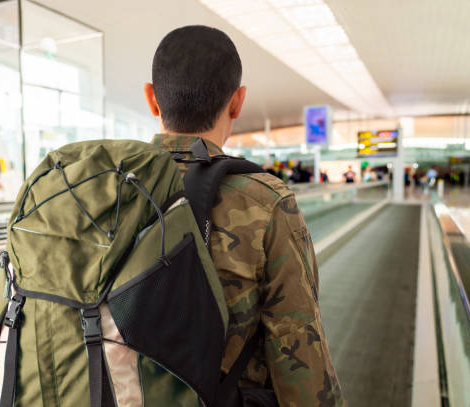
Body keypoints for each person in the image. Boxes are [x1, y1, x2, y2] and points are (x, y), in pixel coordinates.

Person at [144, 25, 344, 406]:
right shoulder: (265, 200)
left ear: (152, 99)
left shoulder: (103, 191)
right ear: (237, 102)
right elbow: (297, 348)